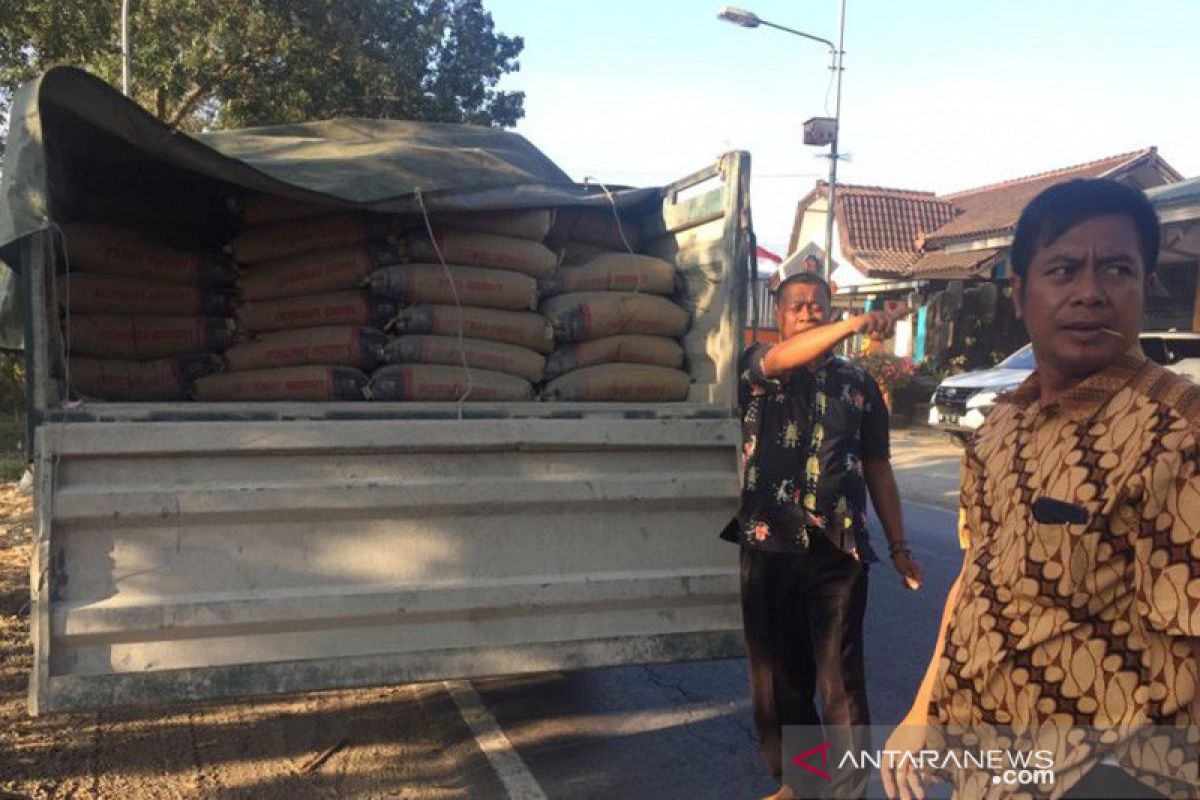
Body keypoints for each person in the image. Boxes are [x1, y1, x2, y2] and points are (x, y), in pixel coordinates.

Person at [883, 178, 1200, 800]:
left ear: (1146, 284)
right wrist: (922, 711)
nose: (1090, 292)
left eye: (1116, 269)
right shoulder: (1000, 425)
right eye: (1063, 270)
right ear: (1021, 294)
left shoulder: (1179, 430)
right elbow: (977, 578)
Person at [723, 271, 924, 800]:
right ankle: (800, 782)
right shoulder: (759, 368)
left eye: (818, 306)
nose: (809, 312)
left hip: (839, 549)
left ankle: (846, 792)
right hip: (769, 543)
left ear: (829, 312)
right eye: (798, 306)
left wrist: (900, 546)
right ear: (780, 316)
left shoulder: (857, 385)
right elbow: (785, 357)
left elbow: (878, 466)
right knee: (778, 681)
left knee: (841, 683)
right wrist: (859, 320)